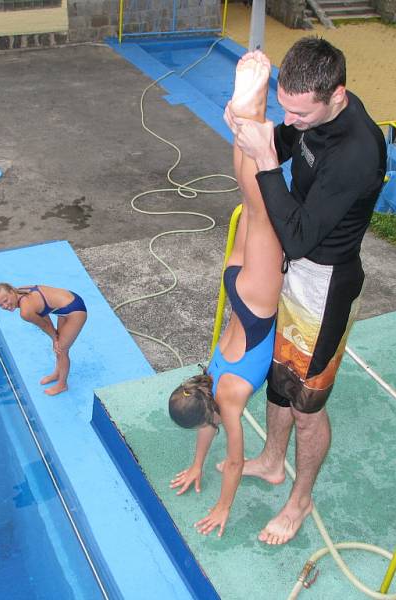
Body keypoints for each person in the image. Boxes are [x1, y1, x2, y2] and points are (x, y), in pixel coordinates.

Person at [224, 36, 387, 545]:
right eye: (285, 108)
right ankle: (274, 462)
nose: (291, 121)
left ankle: (300, 499)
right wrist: (265, 133)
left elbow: (297, 234)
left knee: (306, 405)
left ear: (336, 95)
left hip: (325, 286)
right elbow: (292, 143)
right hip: (297, 265)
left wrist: (267, 161)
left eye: (300, 112)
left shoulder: (358, 152)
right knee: (278, 380)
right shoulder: (316, 115)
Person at [168, 50, 284, 538]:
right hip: (236, 294)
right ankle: (244, 118)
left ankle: (252, 115)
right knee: (249, 201)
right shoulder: (205, 379)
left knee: (259, 205)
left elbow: (234, 462)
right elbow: (204, 426)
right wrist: (196, 465)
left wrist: (222, 509)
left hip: (255, 307)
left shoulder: (229, 402)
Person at [0, 283, 88, 396]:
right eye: (1, 305)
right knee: (58, 346)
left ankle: (62, 385)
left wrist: (55, 338)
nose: (5, 306)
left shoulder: (25, 311)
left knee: (61, 350)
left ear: (12, 292)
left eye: (5, 300)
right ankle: (57, 373)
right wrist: (55, 337)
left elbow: (44, 325)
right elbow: (43, 313)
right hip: (67, 303)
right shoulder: (21, 290)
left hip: (75, 311)